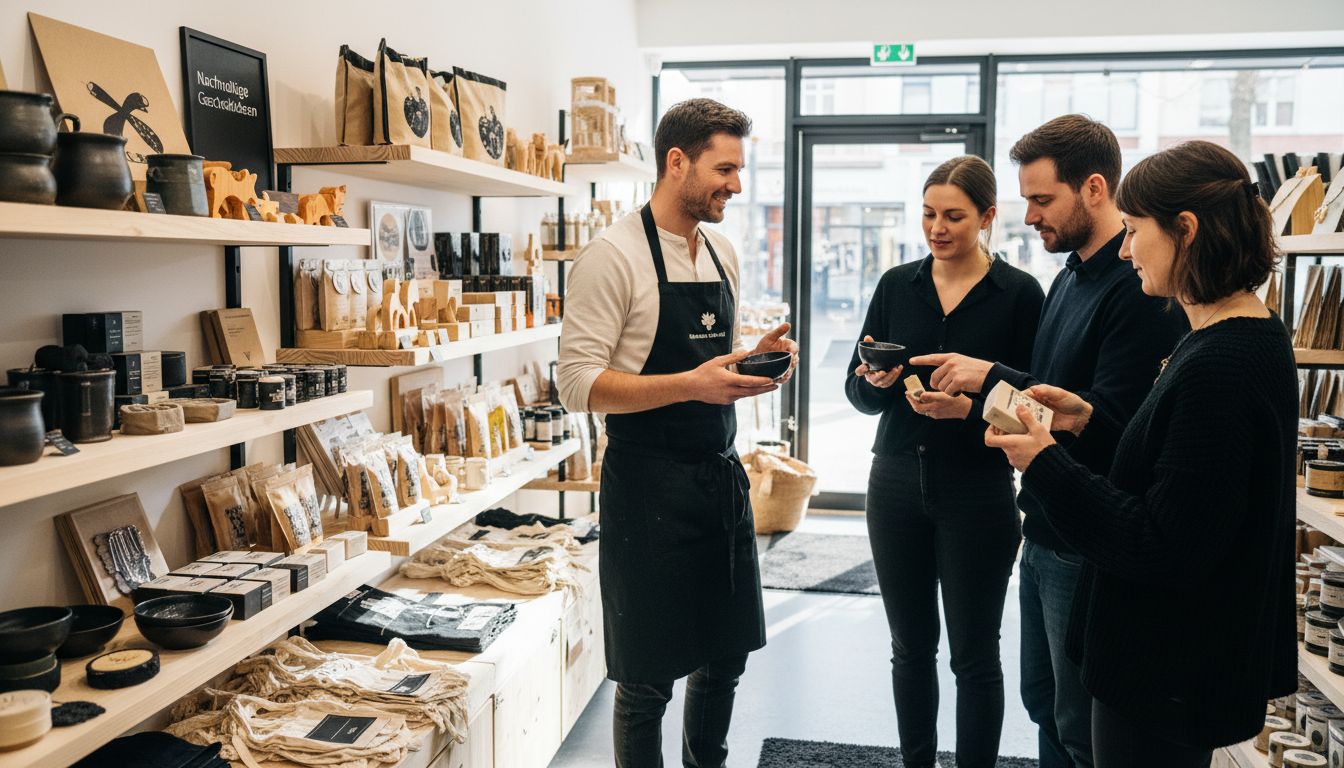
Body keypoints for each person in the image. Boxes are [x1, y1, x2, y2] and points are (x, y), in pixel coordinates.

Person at [984, 139, 1297, 766]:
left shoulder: (1223, 363)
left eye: (1133, 232)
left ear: (1185, 231)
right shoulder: (1226, 339)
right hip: (1172, 663)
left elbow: (1160, 541)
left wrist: (1043, 462)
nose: (1125, 250)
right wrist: (1090, 421)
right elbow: (1177, 474)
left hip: (1166, 670)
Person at [909, 115, 1188, 768]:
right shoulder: (1069, 276)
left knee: (1077, 722)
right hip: (1043, 529)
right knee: (1043, 703)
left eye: (1041, 199)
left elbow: (1113, 423)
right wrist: (976, 400)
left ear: (1094, 188)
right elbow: (1053, 395)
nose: (1029, 216)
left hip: (1084, 538)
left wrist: (990, 376)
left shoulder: (1136, 289)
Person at [557, 98, 797, 768]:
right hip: (646, 489)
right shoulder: (612, 257)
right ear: (676, 162)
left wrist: (753, 356)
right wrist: (692, 384)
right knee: (646, 681)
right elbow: (576, 384)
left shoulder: (722, 251)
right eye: (725, 169)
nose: (737, 185)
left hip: (718, 481)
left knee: (725, 660)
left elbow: (707, 364)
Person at [845, 155, 1044, 768]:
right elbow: (856, 394)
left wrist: (972, 409)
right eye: (929, 214)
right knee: (909, 648)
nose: (938, 228)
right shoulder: (894, 285)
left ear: (987, 217)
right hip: (896, 483)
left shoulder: (1019, 294)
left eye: (954, 216)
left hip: (978, 490)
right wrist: (874, 385)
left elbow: (1037, 401)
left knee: (975, 655)